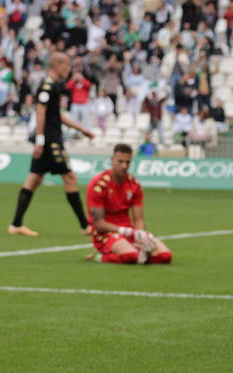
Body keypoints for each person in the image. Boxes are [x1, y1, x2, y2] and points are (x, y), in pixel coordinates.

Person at [9, 52, 96, 237]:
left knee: (34, 179)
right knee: (70, 178)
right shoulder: (48, 86)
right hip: (50, 141)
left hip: (49, 139)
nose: (68, 69)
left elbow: (56, 115)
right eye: (66, 66)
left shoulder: (54, 86)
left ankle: (16, 224)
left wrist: (82, 129)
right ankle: (85, 225)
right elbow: (40, 111)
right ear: (57, 65)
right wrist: (40, 140)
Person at [85, 143, 173, 265]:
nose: (124, 166)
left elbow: (139, 218)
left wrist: (140, 234)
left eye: (128, 162)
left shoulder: (134, 185)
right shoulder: (98, 185)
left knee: (165, 257)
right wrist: (127, 231)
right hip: (105, 234)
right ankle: (101, 257)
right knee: (131, 256)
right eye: (120, 162)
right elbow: (99, 224)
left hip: (130, 232)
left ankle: (137, 255)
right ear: (112, 160)